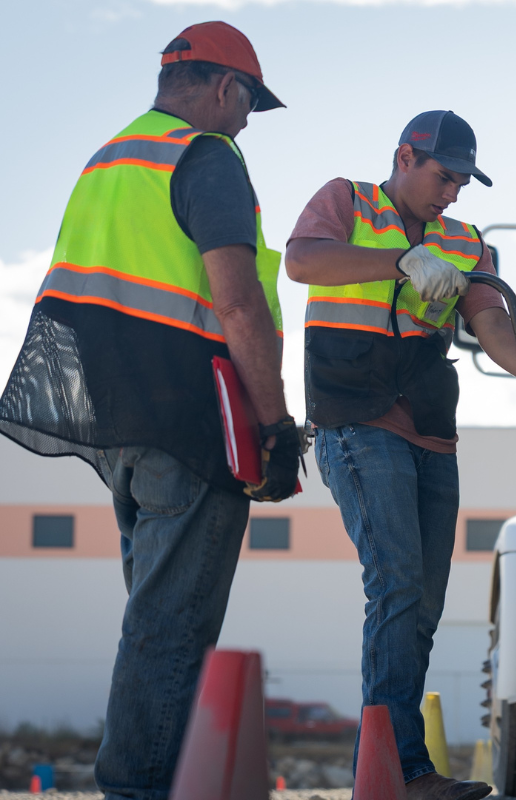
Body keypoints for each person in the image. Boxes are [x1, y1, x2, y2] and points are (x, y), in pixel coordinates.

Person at [0, 22, 300, 798]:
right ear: (224, 88)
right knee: (172, 628)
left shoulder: (107, 160)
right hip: (191, 428)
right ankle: (137, 788)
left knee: (152, 618)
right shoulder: (206, 156)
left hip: (119, 430)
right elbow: (237, 304)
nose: (244, 125)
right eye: (248, 106)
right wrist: (275, 427)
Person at [285, 110, 516, 800]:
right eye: (443, 178)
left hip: (429, 430)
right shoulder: (349, 201)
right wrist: (400, 260)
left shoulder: (462, 240)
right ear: (404, 156)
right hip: (356, 422)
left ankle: (382, 770)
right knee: (395, 586)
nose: (451, 195)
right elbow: (303, 259)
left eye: (460, 184)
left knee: (419, 604)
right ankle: (404, 772)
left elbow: (490, 321)